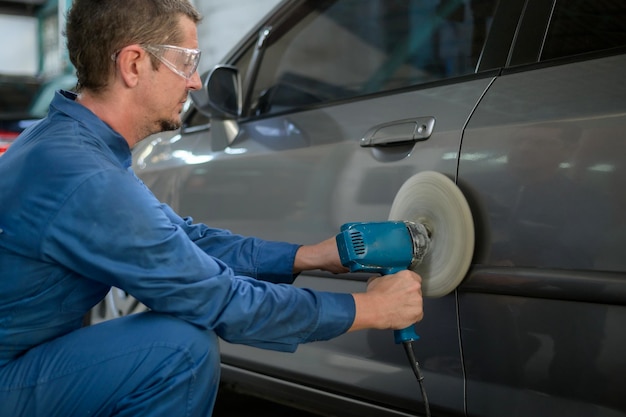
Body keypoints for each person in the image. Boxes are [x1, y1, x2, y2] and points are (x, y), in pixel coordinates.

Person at [0, 1, 424, 416]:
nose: (196, 82)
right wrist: (366, 310)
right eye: (186, 62)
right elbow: (218, 301)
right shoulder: (85, 176)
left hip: (22, 359)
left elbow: (183, 240)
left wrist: (308, 256)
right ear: (132, 64)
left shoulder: (66, 143)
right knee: (177, 348)